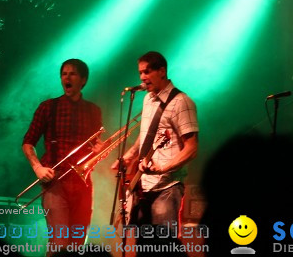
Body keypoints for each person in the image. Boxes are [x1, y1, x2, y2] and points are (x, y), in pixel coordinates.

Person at [113, 51, 199, 251]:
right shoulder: (148, 99)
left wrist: (163, 167)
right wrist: (128, 157)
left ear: (162, 71)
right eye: (140, 72)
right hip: (144, 186)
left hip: (168, 187)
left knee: (162, 246)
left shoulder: (181, 102)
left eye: (147, 71)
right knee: (144, 247)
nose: (142, 77)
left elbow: (192, 148)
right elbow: (146, 137)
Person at [21, 58, 104, 251]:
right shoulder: (48, 107)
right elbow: (28, 142)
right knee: (60, 244)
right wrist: (37, 167)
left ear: (83, 80)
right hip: (55, 182)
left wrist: (100, 153)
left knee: (77, 246)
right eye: (64, 74)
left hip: (83, 184)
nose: (67, 77)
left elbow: (95, 152)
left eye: (72, 74)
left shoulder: (93, 111)